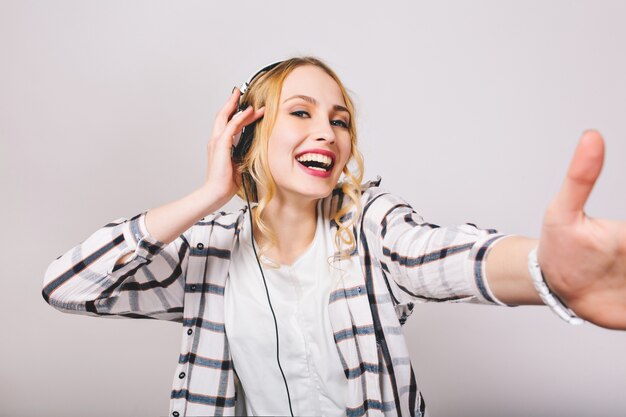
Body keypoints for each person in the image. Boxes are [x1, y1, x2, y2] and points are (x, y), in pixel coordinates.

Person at [42, 56, 626, 417]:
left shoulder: (369, 224)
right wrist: (208, 194)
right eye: (301, 113)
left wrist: (545, 270)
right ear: (246, 134)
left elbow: (439, 255)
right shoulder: (206, 253)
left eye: (339, 119)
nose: (326, 130)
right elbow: (68, 286)